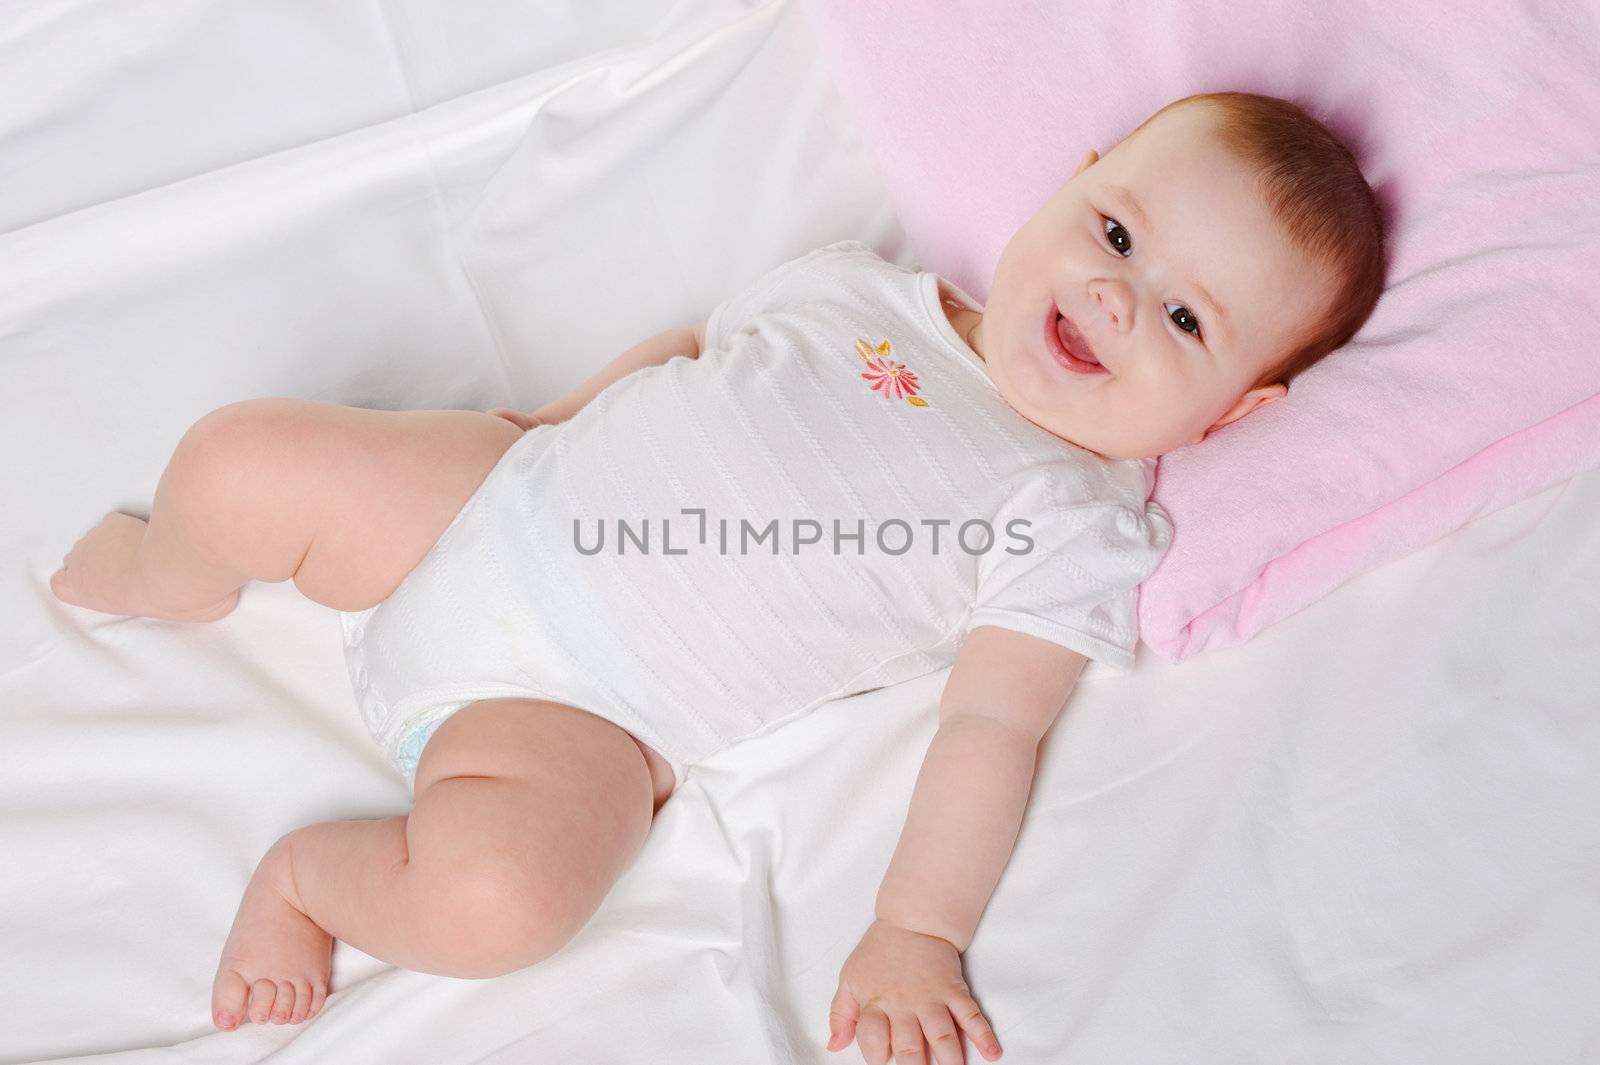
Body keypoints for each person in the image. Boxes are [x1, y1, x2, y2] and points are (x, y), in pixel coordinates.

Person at [48, 90, 1384, 1062]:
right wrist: (541, 432)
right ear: (1073, 178)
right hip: (493, 499)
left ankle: (300, 879)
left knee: (500, 901)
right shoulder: (868, 291)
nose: (1112, 299)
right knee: (235, 461)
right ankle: (179, 571)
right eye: (1116, 234)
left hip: (580, 717)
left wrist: (917, 926)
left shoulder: (1074, 514)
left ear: (1232, 416)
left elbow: (991, 725)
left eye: (1186, 319)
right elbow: (693, 349)